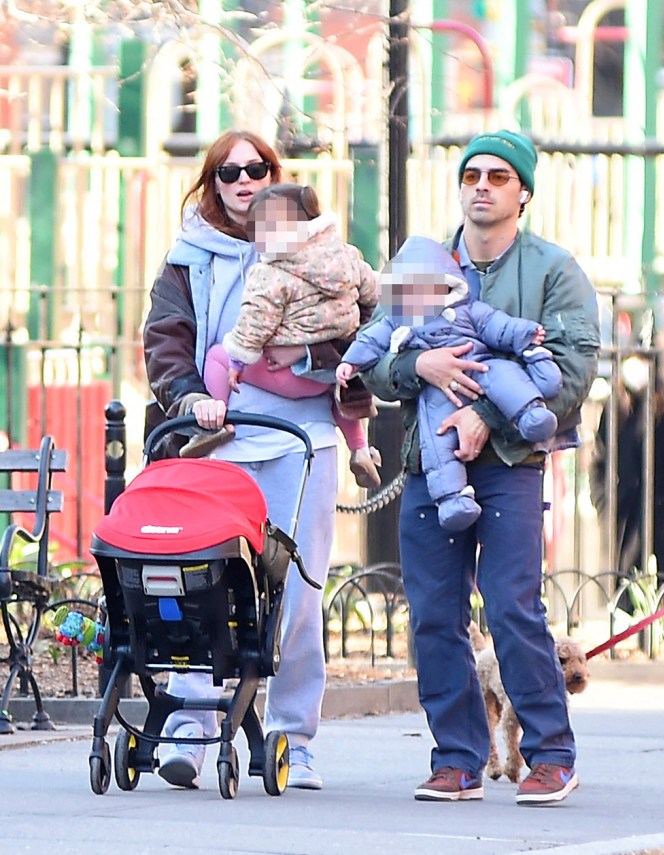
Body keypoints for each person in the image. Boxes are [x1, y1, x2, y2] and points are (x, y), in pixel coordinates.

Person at [361, 130, 600, 805]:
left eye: (498, 176)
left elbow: (575, 368)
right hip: (428, 464)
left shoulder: (554, 269)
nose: (483, 185)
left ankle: (551, 753)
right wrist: (421, 365)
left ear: (522, 191)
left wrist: (487, 416)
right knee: (435, 614)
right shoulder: (420, 265)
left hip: (510, 464)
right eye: (472, 175)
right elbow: (377, 357)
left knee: (511, 604)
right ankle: (456, 758)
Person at [143, 129, 347, 790]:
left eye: (256, 168)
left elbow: (356, 328)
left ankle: (293, 735)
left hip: (302, 437)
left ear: (274, 175)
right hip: (217, 438)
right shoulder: (187, 259)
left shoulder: (319, 249)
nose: (242, 180)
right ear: (211, 182)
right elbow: (167, 339)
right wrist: (191, 395)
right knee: (197, 581)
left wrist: (315, 362)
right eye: (227, 171)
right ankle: (189, 726)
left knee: (299, 589)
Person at [337, 234, 562, 531]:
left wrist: (526, 335)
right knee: (436, 439)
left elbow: (498, 326)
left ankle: (529, 413)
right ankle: (452, 497)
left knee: (505, 376)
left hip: (481, 371)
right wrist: (358, 362)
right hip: (438, 394)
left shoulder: (468, 309)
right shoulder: (398, 320)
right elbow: (372, 341)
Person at [180, 181, 382, 489]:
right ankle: (359, 447)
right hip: (330, 371)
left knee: (217, 357)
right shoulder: (346, 255)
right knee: (340, 386)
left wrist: (239, 360)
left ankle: (216, 424)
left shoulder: (272, 271)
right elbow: (373, 294)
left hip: (286, 374)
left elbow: (255, 321)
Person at [589, 354, 664, 591]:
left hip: (659, 511)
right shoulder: (615, 407)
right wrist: (603, 499)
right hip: (621, 512)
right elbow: (599, 458)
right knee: (622, 586)